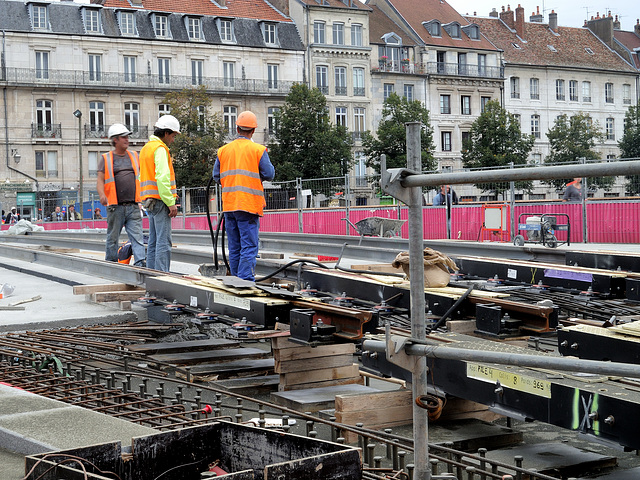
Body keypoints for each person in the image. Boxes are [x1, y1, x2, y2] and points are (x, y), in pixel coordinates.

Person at [213, 111, 275, 281]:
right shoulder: (258, 150)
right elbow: (269, 174)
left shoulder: (223, 151)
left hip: (229, 206)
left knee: (234, 246)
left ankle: (235, 280)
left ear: (237, 128)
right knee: (248, 246)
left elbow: (216, 176)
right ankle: (245, 281)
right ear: (253, 131)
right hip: (248, 205)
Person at [97, 123, 146, 267]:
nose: (127, 139)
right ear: (115, 140)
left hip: (133, 205)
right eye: (123, 137)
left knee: (137, 237)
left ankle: (139, 262)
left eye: (127, 137)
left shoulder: (134, 156)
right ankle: (111, 264)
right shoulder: (106, 158)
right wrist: (102, 195)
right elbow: (100, 180)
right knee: (112, 237)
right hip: (115, 206)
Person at [139, 115, 180, 272]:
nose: (173, 140)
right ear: (166, 133)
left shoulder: (146, 149)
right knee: (163, 241)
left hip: (149, 201)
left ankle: (152, 277)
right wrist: (170, 203)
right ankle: (163, 277)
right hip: (161, 201)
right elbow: (162, 178)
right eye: (173, 136)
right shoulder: (160, 149)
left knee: (153, 241)